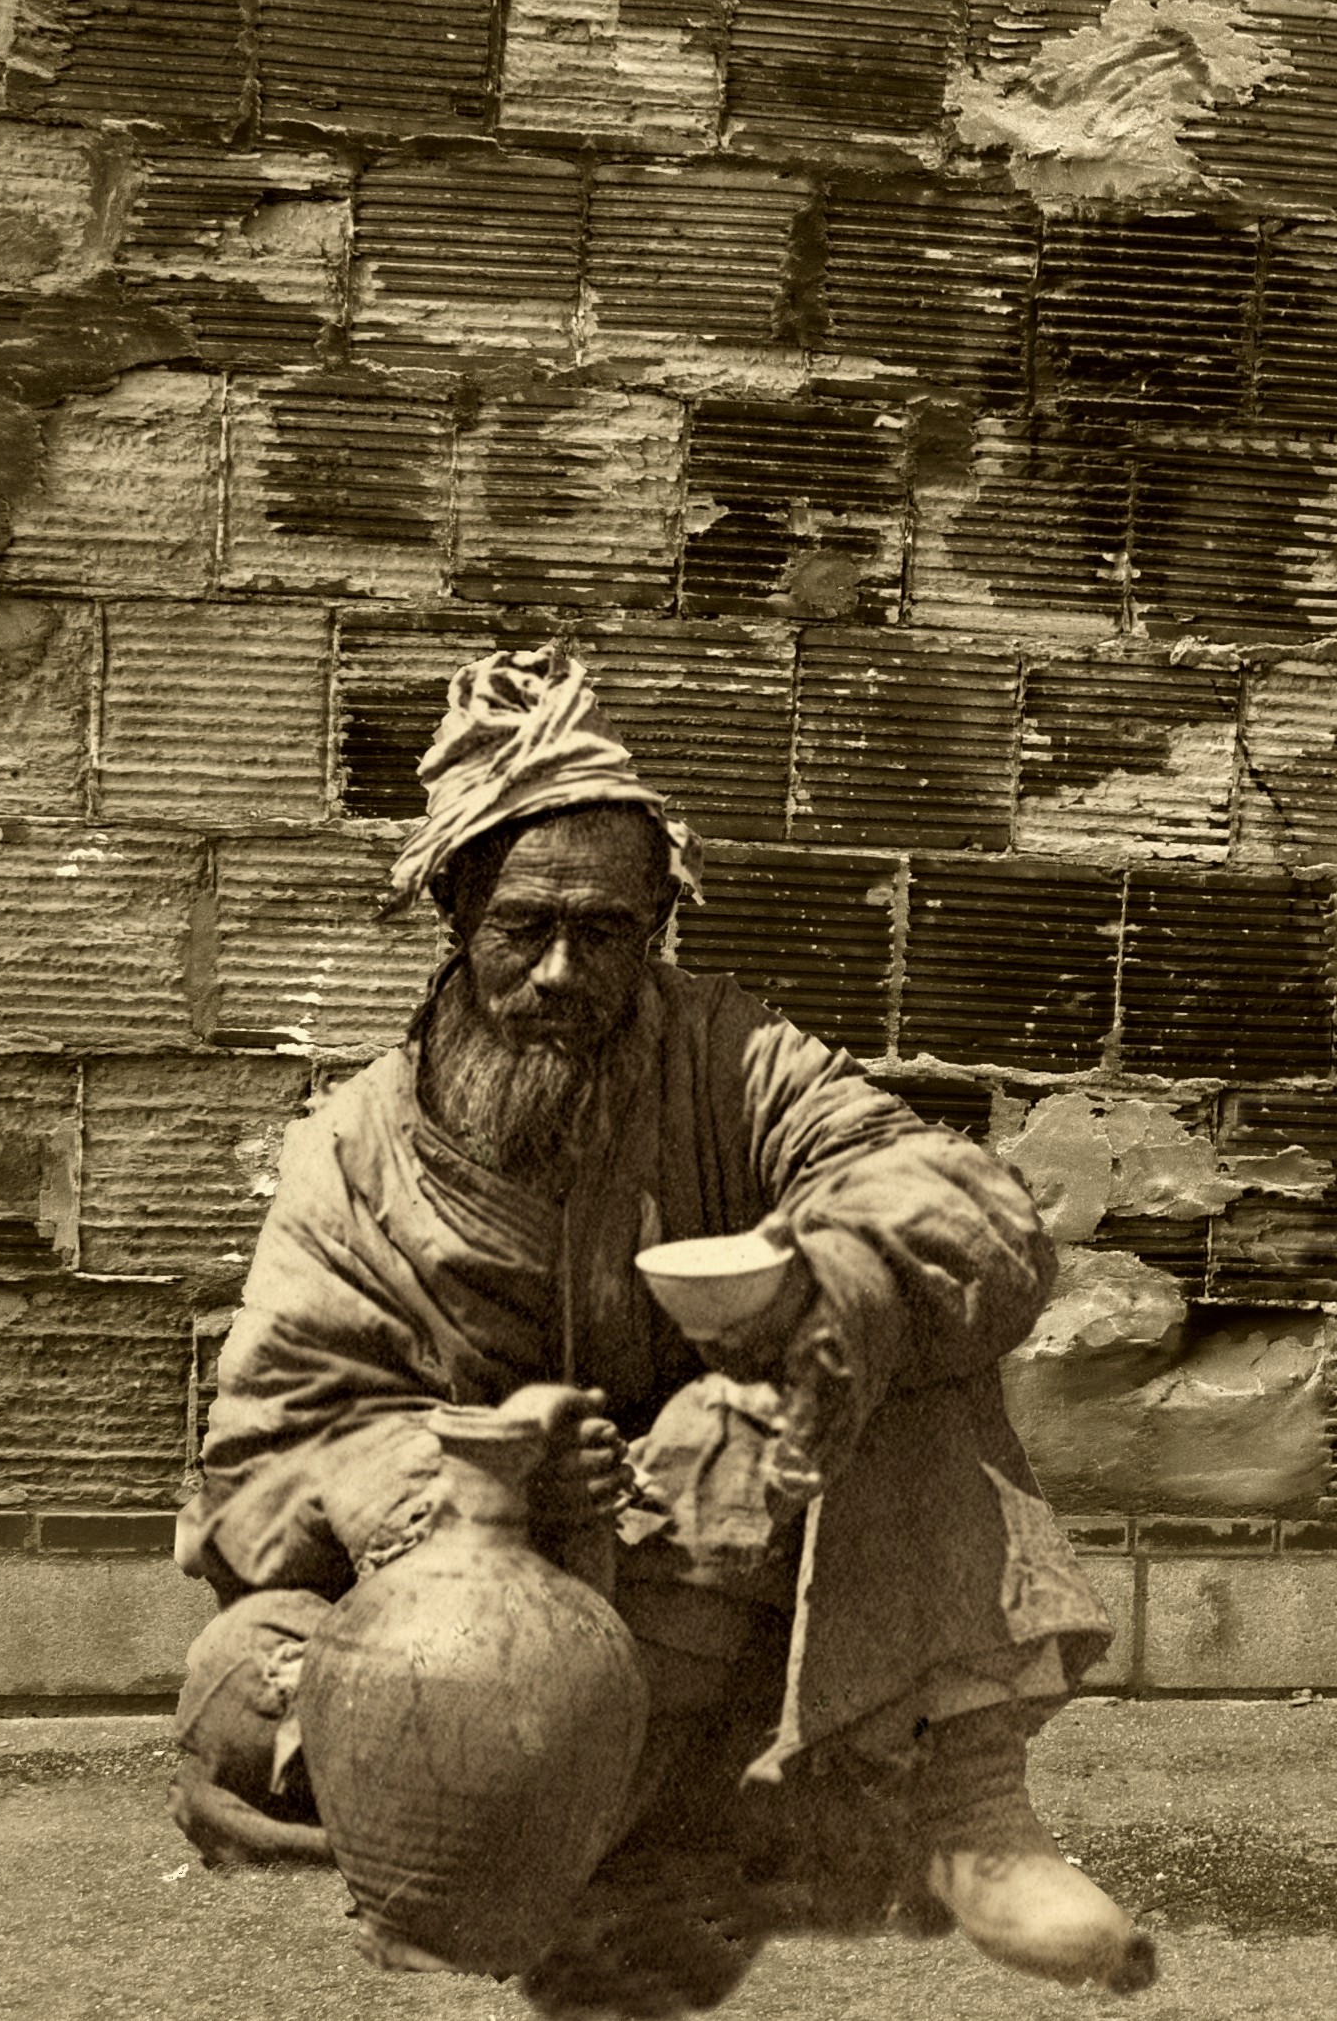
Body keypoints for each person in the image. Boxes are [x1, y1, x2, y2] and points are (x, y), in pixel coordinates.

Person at [170, 647, 1146, 2009]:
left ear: (655, 929)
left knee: (896, 1324)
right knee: (237, 1681)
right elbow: (264, 1459)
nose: (562, 970)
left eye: (607, 931)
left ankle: (975, 1812)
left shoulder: (732, 1059)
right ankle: (601, 1832)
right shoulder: (351, 1151)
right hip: (468, 1605)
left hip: (706, 1553)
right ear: (457, 911)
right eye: (522, 926)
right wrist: (477, 1478)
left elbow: (965, 1202)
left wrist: (831, 1282)